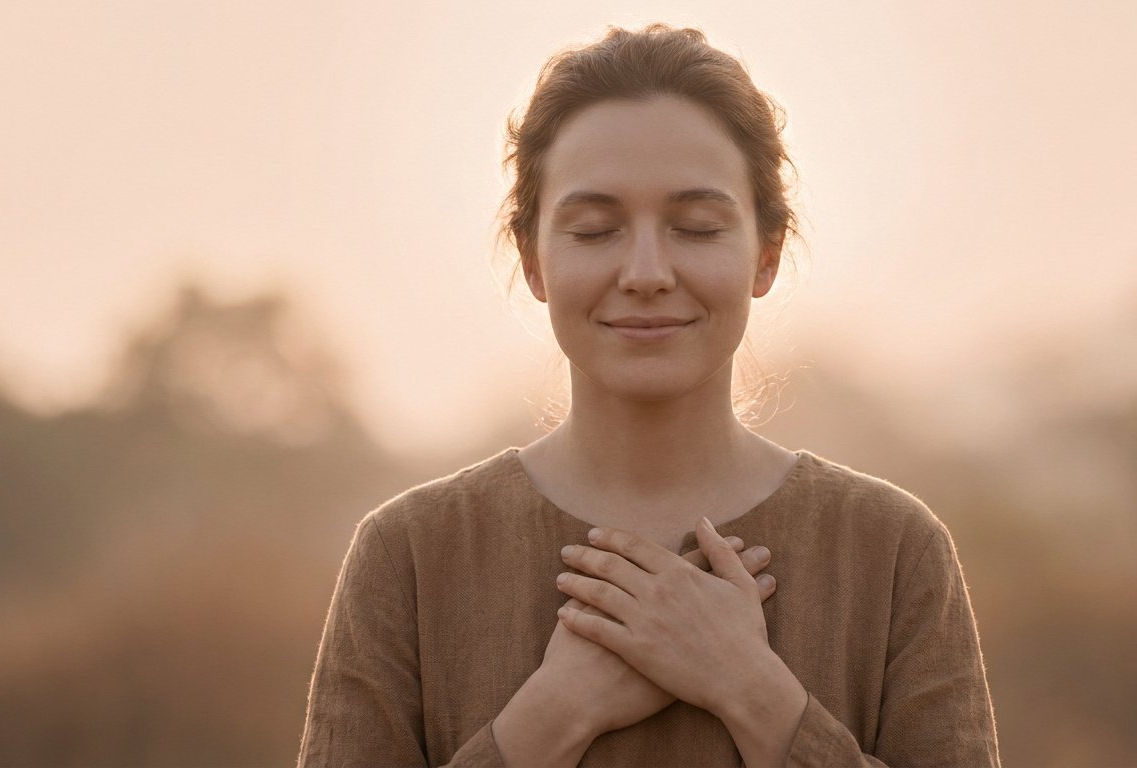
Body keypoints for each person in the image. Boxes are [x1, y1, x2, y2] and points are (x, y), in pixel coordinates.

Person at [297, 23, 998, 768]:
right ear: (533, 260)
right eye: (595, 229)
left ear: (766, 254)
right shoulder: (409, 555)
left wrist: (754, 692)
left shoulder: (891, 550)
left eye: (696, 227)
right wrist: (551, 716)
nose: (646, 271)